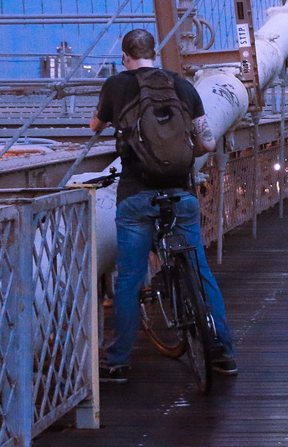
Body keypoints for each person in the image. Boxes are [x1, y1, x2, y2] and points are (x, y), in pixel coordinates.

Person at [90, 29, 237, 381]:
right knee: (200, 270)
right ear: (154, 53)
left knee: (128, 280)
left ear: (125, 56)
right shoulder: (182, 86)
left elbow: (94, 126)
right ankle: (222, 352)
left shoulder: (116, 85)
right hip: (180, 194)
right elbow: (206, 142)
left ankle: (118, 361)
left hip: (136, 196)